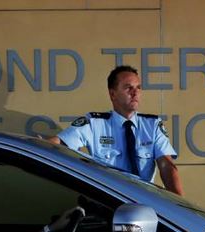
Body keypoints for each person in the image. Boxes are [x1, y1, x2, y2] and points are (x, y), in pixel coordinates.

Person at [49, 65, 183, 195]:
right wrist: (40, 145)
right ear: (113, 94)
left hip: (145, 203)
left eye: (138, 87)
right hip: (110, 203)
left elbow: (166, 165)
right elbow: (58, 144)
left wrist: (179, 207)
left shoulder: (152, 125)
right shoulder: (94, 124)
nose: (135, 92)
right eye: (128, 88)